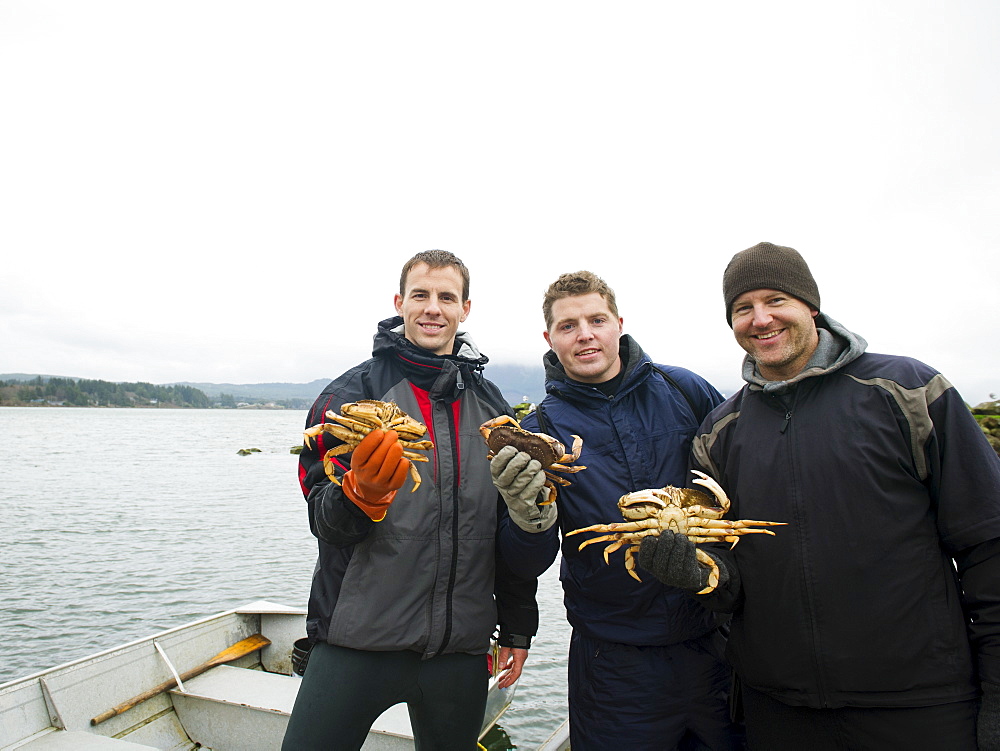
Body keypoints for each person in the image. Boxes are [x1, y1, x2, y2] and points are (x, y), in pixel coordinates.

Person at [637, 241, 1000, 750]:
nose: (760, 319)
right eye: (743, 308)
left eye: (776, 300)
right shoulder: (719, 432)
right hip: (779, 709)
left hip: (919, 703)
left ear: (811, 305)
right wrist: (699, 575)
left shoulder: (908, 391)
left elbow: (988, 543)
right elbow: (731, 581)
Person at [282, 250, 548, 751]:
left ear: (465, 308)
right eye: (421, 295)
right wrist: (359, 497)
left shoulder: (492, 408)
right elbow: (323, 521)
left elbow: (506, 529)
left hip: (460, 651)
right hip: (356, 642)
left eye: (447, 297)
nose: (433, 308)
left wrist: (517, 626)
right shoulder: (349, 395)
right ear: (400, 302)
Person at [492, 270, 743, 750]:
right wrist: (528, 519)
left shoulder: (685, 391)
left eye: (596, 320)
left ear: (619, 324)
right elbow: (524, 563)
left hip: (714, 641)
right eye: (568, 326)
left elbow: (743, 488)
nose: (585, 334)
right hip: (613, 663)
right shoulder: (537, 431)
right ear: (549, 338)